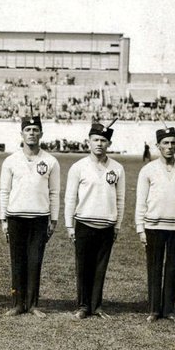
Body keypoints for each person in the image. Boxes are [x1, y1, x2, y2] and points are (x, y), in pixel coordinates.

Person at [0, 114, 60, 318]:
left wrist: (53, 220)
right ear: (22, 133)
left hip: (39, 218)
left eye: (35, 130)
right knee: (17, 261)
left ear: (41, 133)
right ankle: (17, 304)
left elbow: (54, 192)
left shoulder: (50, 161)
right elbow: (4, 191)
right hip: (16, 217)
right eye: (28, 130)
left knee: (35, 261)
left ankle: (33, 304)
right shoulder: (11, 161)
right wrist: (3, 219)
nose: (32, 133)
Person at [64, 123, 125, 320]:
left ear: (109, 143)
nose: (99, 144)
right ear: (88, 142)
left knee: (100, 268)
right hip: (83, 224)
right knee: (83, 267)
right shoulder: (78, 167)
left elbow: (120, 199)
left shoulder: (117, 168)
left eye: (103, 140)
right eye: (96, 140)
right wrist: (68, 225)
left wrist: (117, 225)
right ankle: (83, 306)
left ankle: (96, 306)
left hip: (107, 225)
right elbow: (70, 198)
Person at [136, 127, 175, 323]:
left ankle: (169, 310)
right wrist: (140, 228)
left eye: (172, 143)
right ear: (158, 146)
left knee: (172, 269)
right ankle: (154, 310)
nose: (169, 147)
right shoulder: (148, 169)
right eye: (165, 143)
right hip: (153, 226)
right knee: (154, 267)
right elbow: (141, 201)